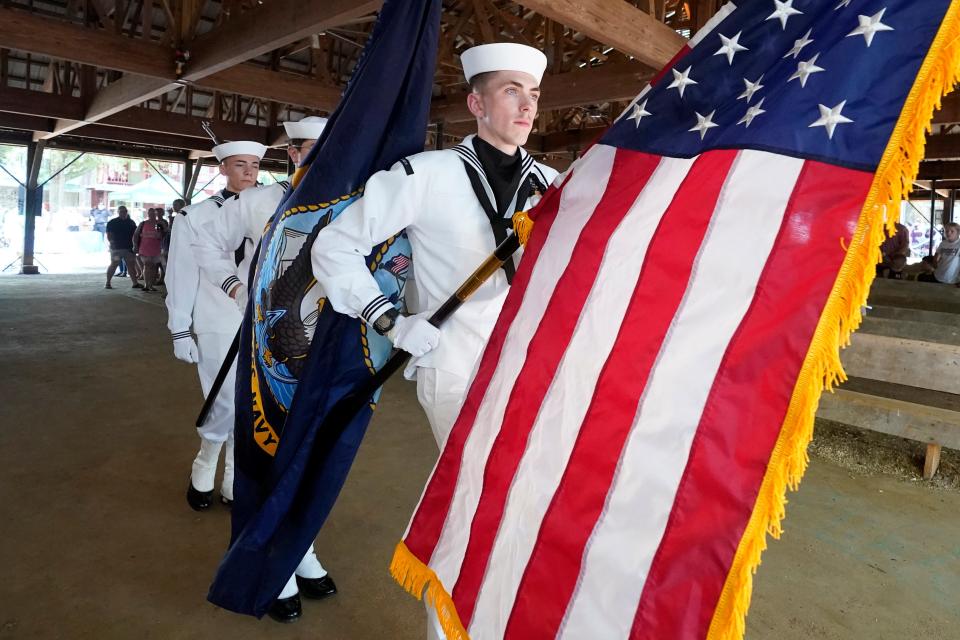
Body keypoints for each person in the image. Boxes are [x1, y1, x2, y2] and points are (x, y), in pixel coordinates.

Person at [310, 42, 557, 639]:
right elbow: (333, 245)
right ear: (476, 102)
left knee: (517, 503)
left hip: (527, 368)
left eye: (534, 95)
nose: (526, 107)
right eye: (510, 91)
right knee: (470, 500)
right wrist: (388, 318)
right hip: (455, 362)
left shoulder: (551, 184)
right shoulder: (428, 175)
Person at [190, 116, 336, 624]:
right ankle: (274, 563)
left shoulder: (353, 201)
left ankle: (303, 547)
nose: (322, 158)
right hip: (268, 349)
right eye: (311, 150)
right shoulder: (257, 201)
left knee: (311, 453)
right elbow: (205, 241)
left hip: (325, 348)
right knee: (268, 450)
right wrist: (234, 287)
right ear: (293, 153)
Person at [164, 140, 265, 517]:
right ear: (223, 168)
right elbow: (181, 274)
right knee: (223, 399)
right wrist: (179, 328)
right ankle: (205, 461)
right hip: (214, 320)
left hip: (260, 323)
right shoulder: (195, 216)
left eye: (255, 164)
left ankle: (234, 479)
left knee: (251, 403)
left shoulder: (271, 208)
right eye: (240, 165)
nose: (249, 172)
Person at [105, 205, 142, 289]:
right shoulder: (112, 222)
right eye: (121, 211)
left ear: (126, 212)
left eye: (125, 211)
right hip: (116, 248)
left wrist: (135, 245)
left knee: (131, 266)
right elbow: (109, 234)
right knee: (114, 264)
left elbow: (135, 234)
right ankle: (108, 283)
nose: (123, 213)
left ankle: (135, 283)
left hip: (128, 248)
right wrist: (111, 243)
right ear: (118, 212)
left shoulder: (131, 222)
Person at [134, 208, 166, 292]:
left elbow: (165, 234)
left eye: (153, 213)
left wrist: (162, 233)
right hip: (145, 248)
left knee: (154, 267)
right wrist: (135, 246)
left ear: (156, 214)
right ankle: (146, 284)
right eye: (150, 213)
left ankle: (150, 285)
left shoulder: (160, 223)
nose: (151, 215)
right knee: (147, 265)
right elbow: (136, 235)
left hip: (157, 249)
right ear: (148, 214)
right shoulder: (143, 223)